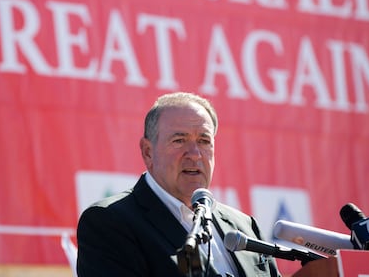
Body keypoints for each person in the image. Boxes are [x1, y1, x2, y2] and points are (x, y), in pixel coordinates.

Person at [76, 92, 337, 277]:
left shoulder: (244, 226)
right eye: (179, 140)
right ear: (147, 152)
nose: (195, 154)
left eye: (204, 141)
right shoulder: (109, 222)